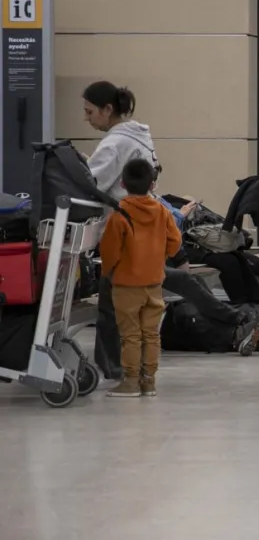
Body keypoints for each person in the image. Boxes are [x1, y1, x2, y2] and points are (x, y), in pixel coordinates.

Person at [85, 82, 259, 379]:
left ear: (107, 109)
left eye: (89, 111)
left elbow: (92, 186)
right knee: (175, 283)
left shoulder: (114, 145)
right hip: (143, 238)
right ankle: (239, 318)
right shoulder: (141, 138)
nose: (87, 118)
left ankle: (113, 367)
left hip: (126, 241)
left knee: (113, 302)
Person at [98, 159, 182, 397]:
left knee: (131, 336)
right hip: (154, 282)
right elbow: (175, 243)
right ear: (152, 184)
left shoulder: (119, 215)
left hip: (126, 284)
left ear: (123, 183)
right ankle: (149, 380)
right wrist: (158, 256)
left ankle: (131, 382)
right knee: (152, 333)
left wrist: (108, 272)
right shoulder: (162, 211)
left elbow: (110, 251)